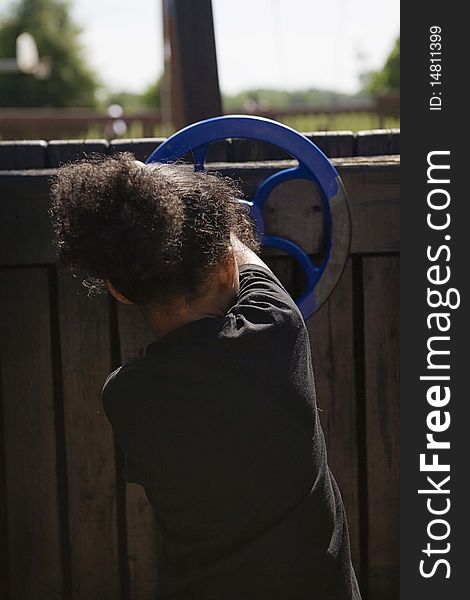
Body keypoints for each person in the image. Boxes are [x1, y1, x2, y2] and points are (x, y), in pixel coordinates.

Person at [50, 153, 361, 600]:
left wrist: (137, 203)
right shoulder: (275, 329)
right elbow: (242, 258)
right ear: (222, 265)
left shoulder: (126, 396)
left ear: (118, 291)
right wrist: (170, 190)